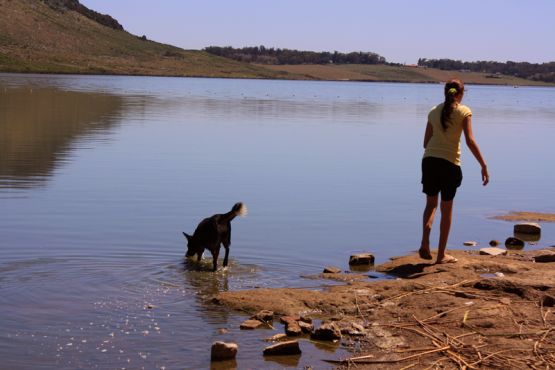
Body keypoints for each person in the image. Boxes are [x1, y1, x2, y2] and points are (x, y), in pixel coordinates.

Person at [418, 79, 489, 264]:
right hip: (450, 164)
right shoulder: (464, 111)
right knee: (446, 209)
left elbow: (425, 143)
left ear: (445, 92)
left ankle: (425, 237)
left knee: (431, 204)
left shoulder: (433, 111)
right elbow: (470, 141)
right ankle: (441, 255)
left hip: (429, 161)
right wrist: (483, 165)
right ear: (461, 93)